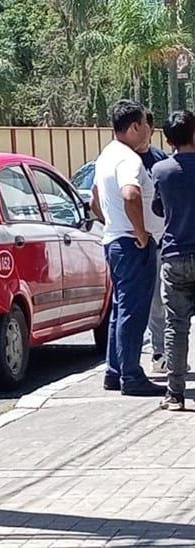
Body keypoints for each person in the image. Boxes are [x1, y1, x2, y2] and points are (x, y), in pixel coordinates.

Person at [91, 99, 166, 396]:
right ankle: (132, 376)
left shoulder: (106, 155)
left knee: (120, 310)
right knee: (133, 312)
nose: (149, 129)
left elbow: (94, 200)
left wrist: (111, 222)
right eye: (145, 124)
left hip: (115, 239)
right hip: (132, 244)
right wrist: (141, 233)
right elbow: (130, 193)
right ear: (135, 126)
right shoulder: (129, 159)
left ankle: (115, 370)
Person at [151, 110, 195, 411]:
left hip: (174, 254)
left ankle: (175, 393)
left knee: (176, 325)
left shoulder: (161, 171)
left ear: (167, 140)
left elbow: (156, 207)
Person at [138, 109, 169, 373]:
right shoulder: (124, 159)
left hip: (161, 240)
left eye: (145, 125)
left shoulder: (159, 159)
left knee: (161, 300)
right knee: (145, 301)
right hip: (135, 240)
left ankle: (161, 352)